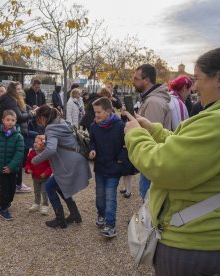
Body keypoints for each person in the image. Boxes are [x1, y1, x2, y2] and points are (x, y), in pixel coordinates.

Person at [124, 46, 220, 275]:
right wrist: (154, 130)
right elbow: (190, 148)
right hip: (213, 235)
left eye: (198, 79)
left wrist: (134, 135)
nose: (194, 87)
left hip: (193, 242)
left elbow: (163, 165)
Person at [32, 105, 91, 229]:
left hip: (70, 164)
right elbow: (61, 142)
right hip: (76, 160)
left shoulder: (51, 128)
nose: (40, 124)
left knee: (49, 187)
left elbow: (51, 149)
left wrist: (36, 159)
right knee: (60, 186)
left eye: (39, 121)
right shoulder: (61, 122)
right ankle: (75, 215)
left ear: (43, 118)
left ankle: (60, 219)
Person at [88, 97, 132, 237]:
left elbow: (125, 146)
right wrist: (92, 150)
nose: (96, 115)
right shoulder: (94, 127)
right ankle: (101, 215)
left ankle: (110, 224)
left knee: (110, 196)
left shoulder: (119, 126)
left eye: (99, 112)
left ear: (108, 111)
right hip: (100, 166)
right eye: (95, 112)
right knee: (100, 195)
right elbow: (92, 142)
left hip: (114, 167)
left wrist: (120, 160)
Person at [132, 64, 171, 201]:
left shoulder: (153, 102)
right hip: (153, 161)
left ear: (146, 80)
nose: (133, 81)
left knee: (148, 198)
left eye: (136, 78)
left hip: (152, 162)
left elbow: (150, 138)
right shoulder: (149, 99)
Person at [0, 109, 24, 220]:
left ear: (16, 121)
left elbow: (19, 153)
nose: (10, 122)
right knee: (4, 187)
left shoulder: (18, 136)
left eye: (13, 120)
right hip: (1, 166)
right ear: (3, 120)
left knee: (12, 188)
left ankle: (7, 202)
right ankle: (3, 208)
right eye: (8, 119)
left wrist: (11, 166)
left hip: (12, 168)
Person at [0, 81, 33, 193]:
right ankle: (17, 184)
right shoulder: (10, 100)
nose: (20, 91)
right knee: (18, 157)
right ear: (13, 90)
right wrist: (30, 114)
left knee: (12, 157)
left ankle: (12, 183)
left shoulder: (9, 98)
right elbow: (20, 117)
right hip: (12, 132)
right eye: (18, 89)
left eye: (20, 89)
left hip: (8, 132)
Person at [24, 135, 52, 215]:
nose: (35, 144)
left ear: (43, 145)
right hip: (35, 177)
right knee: (36, 191)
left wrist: (46, 173)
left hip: (45, 178)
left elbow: (51, 166)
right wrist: (28, 169)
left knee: (44, 191)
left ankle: (45, 205)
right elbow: (28, 163)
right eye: (34, 142)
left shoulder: (46, 154)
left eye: (37, 143)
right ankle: (36, 203)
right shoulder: (32, 153)